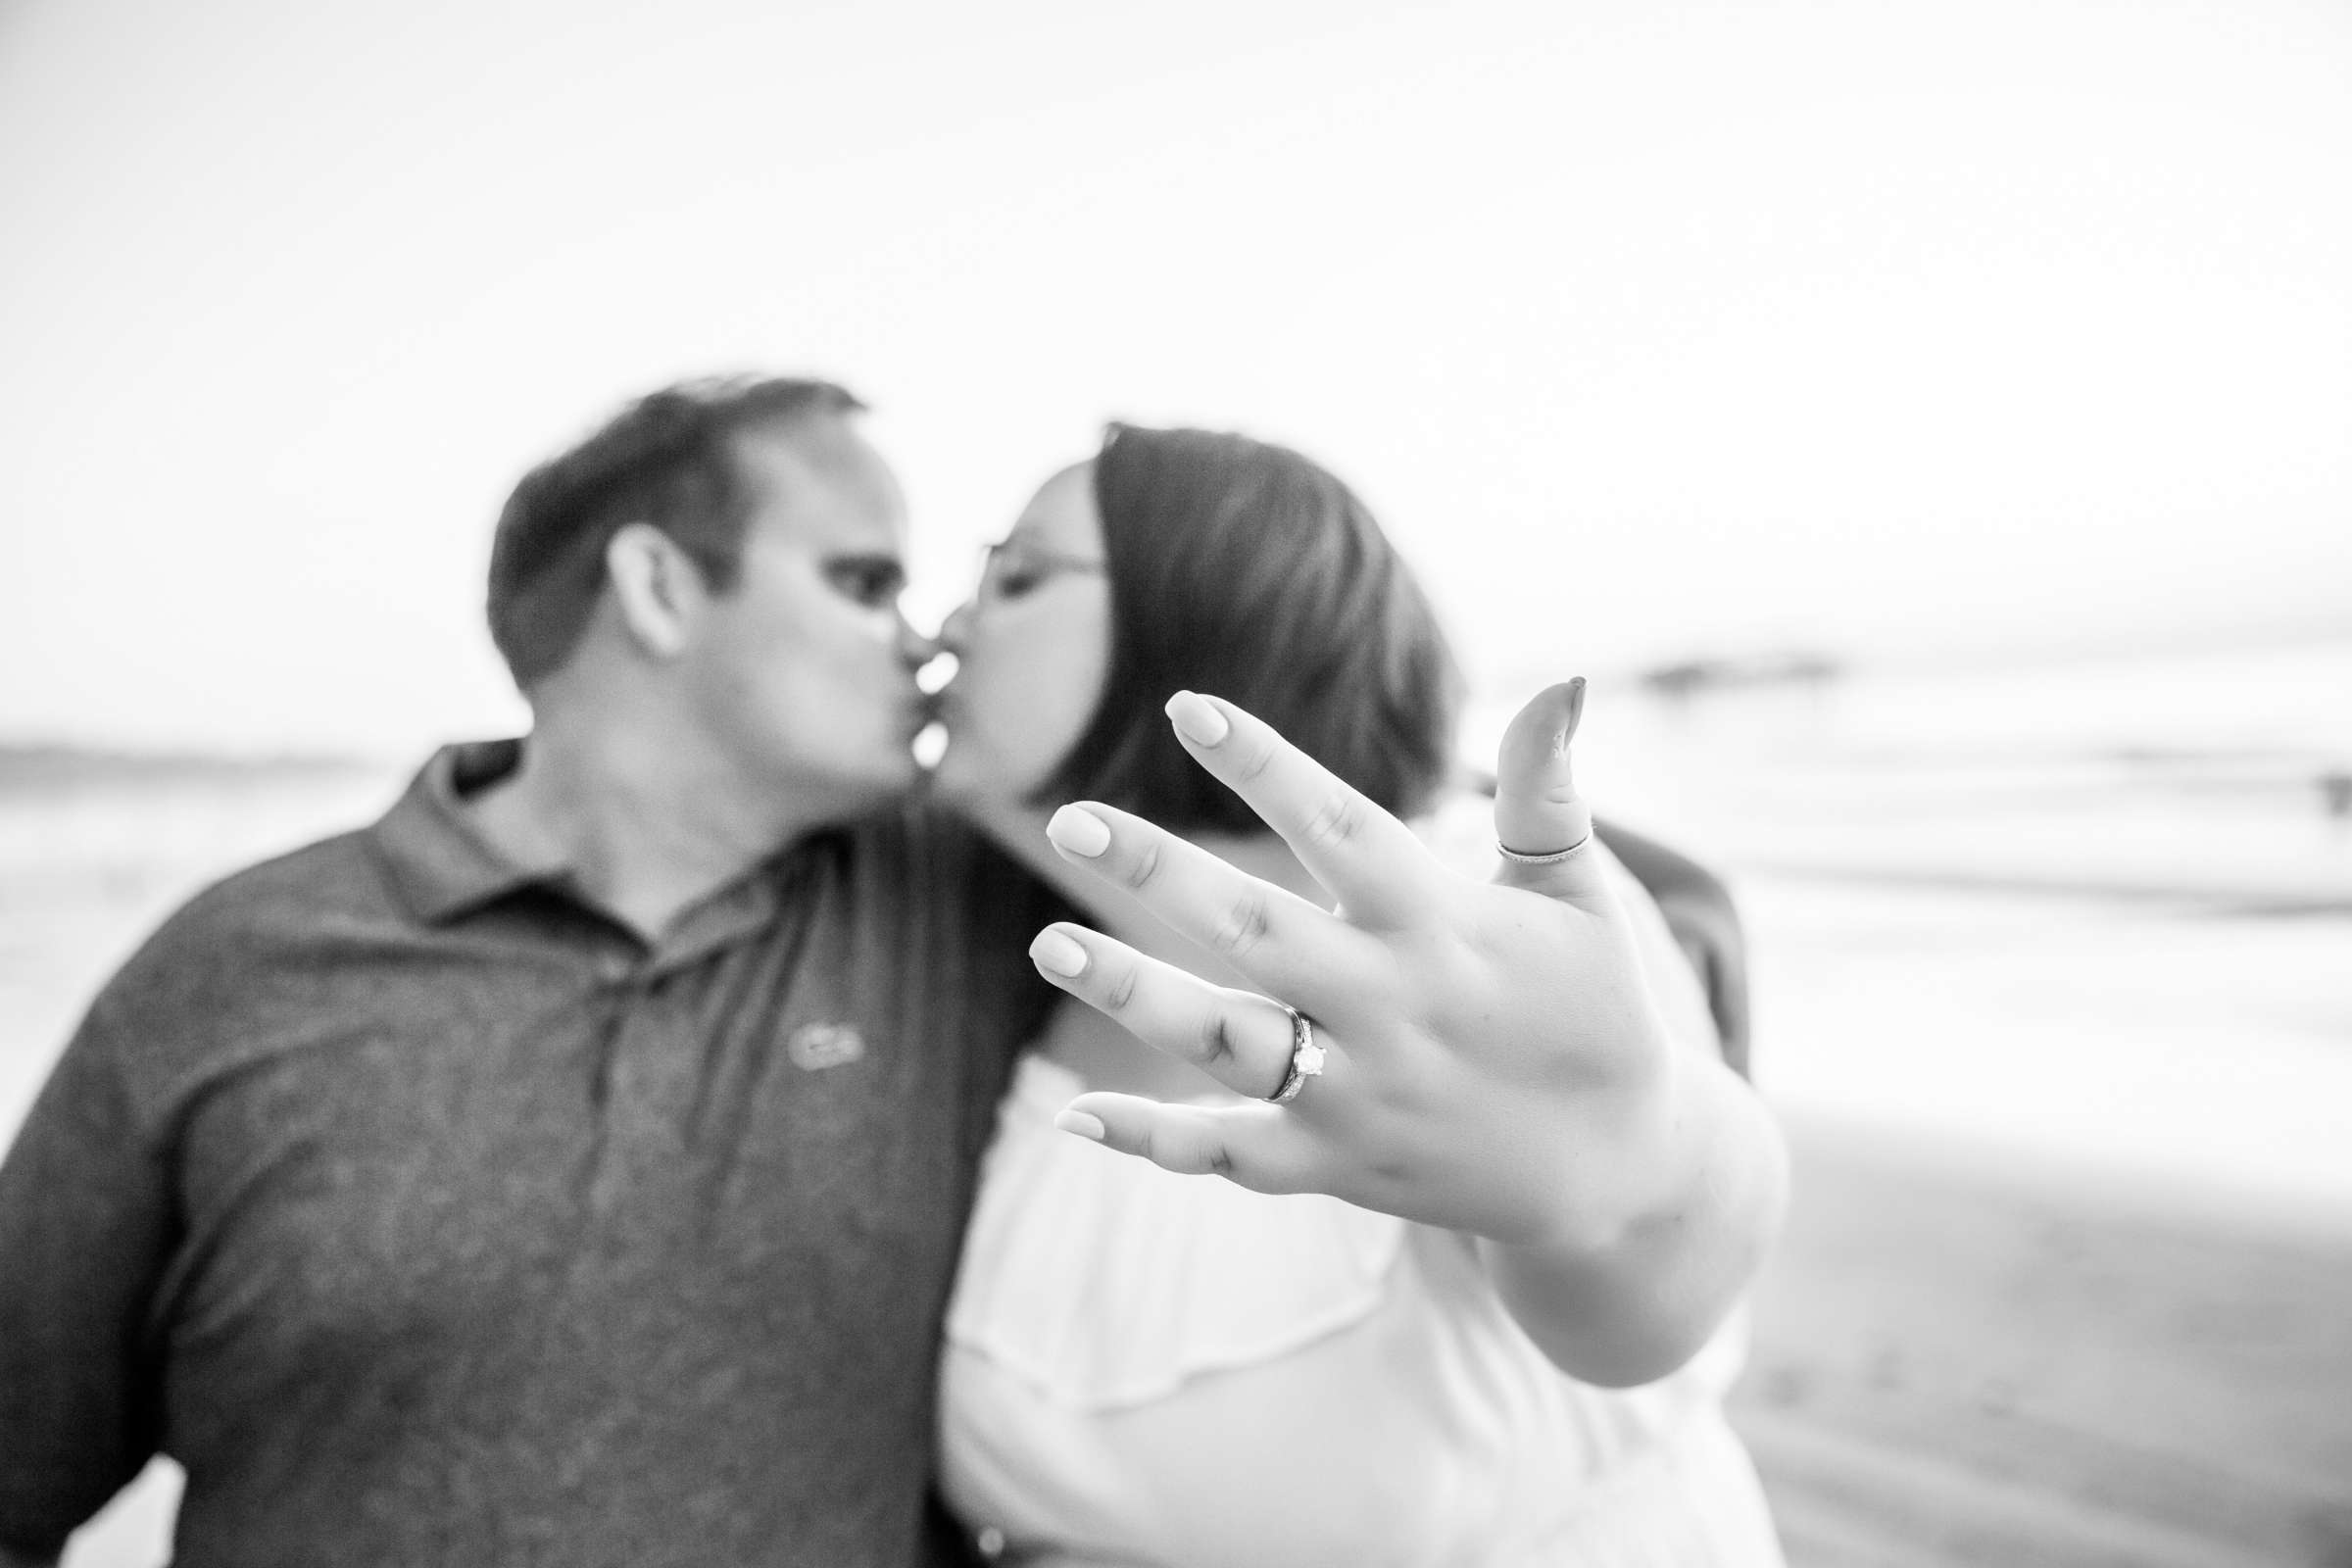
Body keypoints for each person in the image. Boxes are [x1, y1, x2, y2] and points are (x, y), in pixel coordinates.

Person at [0, 379, 1769, 1568]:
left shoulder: (993, 918)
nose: (932, 630)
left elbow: (1640, 1235)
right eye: (877, 579)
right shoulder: (241, 970)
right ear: (656, 592)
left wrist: (1656, 1149)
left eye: (999, 578)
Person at [926, 423, 1789, 1564]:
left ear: (1211, 611)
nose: (946, 625)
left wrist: (1627, 1166)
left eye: (1018, 577)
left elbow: (1653, 1271)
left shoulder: (1483, 914)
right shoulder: (1012, 975)